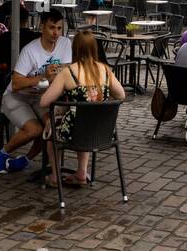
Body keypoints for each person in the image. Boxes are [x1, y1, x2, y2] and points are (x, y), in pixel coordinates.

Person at [40, 29, 126, 188]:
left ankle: (55, 176)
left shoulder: (69, 72)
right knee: (86, 118)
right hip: (102, 131)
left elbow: (44, 102)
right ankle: (81, 172)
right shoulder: (105, 70)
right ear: (94, 48)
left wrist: (52, 81)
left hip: (75, 130)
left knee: (53, 130)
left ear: (75, 49)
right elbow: (121, 95)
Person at [0, 9, 72, 174]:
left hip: (41, 97)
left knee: (51, 127)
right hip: (17, 97)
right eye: (52, 27)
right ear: (42, 27)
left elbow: (66, 70)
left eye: (59, 28)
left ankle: (26, 159)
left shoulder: (65, 44)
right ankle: (2, 154)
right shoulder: (30, 50)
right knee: (34, 129)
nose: (56, 33)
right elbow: (15, 83)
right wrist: (43, 76)